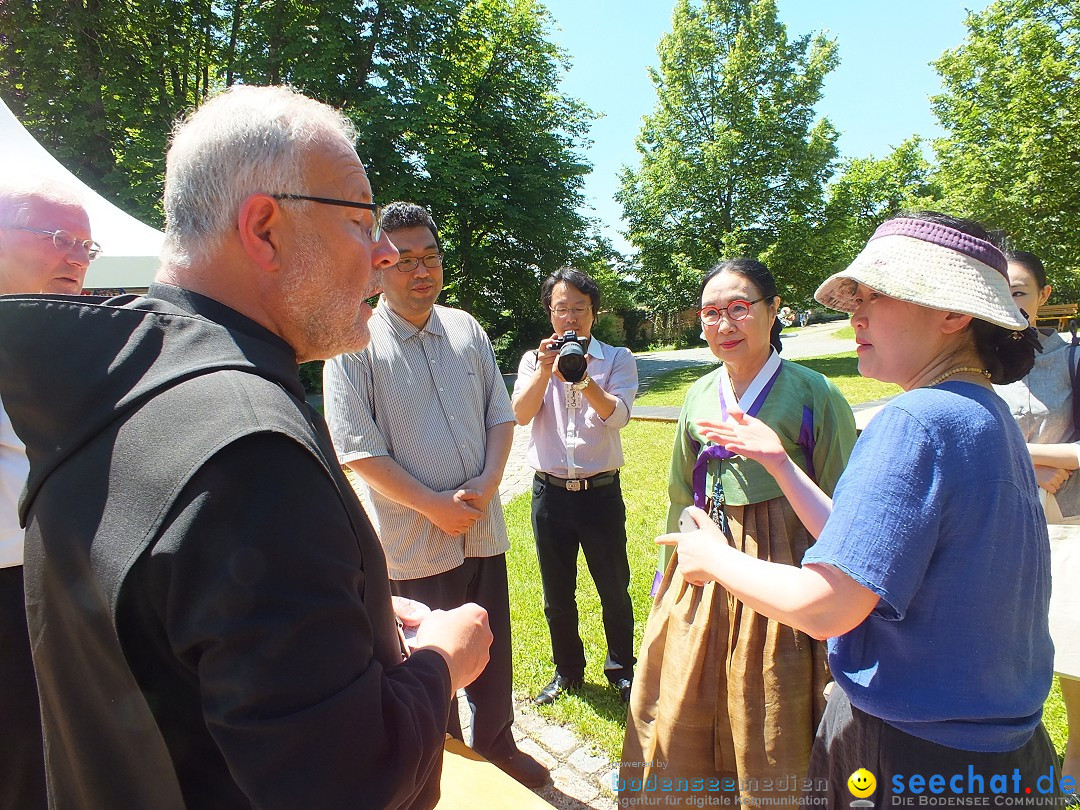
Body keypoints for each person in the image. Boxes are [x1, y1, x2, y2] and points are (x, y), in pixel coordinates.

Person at [0, 85, 494, 809]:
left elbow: (172, 638)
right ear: (263, 228)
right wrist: (439, 666)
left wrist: (341, 616)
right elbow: (342, 786)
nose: (385, 253)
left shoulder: (114, 386)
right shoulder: (248, 451)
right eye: (361, 219)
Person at [667, 213, 1061, 807]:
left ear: (953, 316)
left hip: (911, 755)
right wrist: (781, 463)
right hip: (1002, 752)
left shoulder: (914, 419)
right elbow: (869, 554)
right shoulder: (982, 413)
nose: (856, 315)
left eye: (876, 296)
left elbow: (828, 606)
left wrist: (713, 557)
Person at [322, 202, 548, 788]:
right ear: (377, 268)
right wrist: (433, 505)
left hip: (481, 529)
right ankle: (441, 764)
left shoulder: (466, 328)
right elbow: (356, 447)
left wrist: (492, 481)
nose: (421, 271)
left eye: (430, 257)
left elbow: (501, 414)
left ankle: (498, 744)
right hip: (414, 543)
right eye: (403, 262)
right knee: (430, 661)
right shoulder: (354, 340)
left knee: (491, 643)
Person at [620, 258, 856, 807]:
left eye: (739, 309)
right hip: (705, 556)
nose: (724, 324)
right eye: (710, 313)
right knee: (686, 689)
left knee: (771, 700)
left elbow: (843, 501)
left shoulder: (814, 393)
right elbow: (683, 490)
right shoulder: (700, 394)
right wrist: (668, 570)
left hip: (785, 560)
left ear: (773, 312)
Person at [0, 177, 97, 810]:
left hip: (62, 592)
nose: (77, 259)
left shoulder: (82, 343)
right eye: (60, 238)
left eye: (87, 247)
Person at [510, 267, 639, 706]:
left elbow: (618, 417)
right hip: (550, 494)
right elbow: (521, 414)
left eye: (579, 309)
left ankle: (622, 668)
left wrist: (582, 380)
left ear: (594, 313)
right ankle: (568, 671)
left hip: (600, 493)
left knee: (613, 588)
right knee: (556, 594)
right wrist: (547, 371)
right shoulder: (533, 360)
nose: (570, 318)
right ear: (549, 312)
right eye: (561, 308)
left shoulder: (617, 358)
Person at [994, 249, 1080, 790]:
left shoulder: (1070, 359)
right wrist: (1029, 465)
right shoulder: (966, 361)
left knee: (1072, 651)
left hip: (1065, 521)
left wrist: (1040, 464)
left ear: (1044, 297)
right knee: (1000, 647)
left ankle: (1073, 763)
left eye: (1020, 291)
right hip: (996, 520)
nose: (1009, 302)